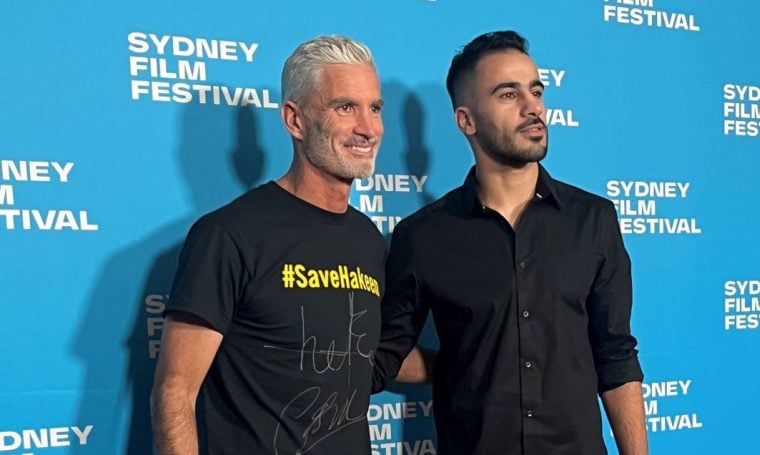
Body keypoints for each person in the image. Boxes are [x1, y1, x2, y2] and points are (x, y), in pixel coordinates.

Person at [372, 31, 647, 455]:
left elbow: (616, 355)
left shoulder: (594, 220)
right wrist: (465, 362)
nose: (532, 106)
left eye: (535, 90)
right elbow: (385, 356)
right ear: (467, 120)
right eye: (508, 94)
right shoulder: (422, 237)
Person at [151, 35, 387, 455]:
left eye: (374, 108)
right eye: (345, 107)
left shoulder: (368, 239)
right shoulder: (229, 234)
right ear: (294, 120)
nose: (368, 128)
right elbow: (175, 392)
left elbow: (362, 357)